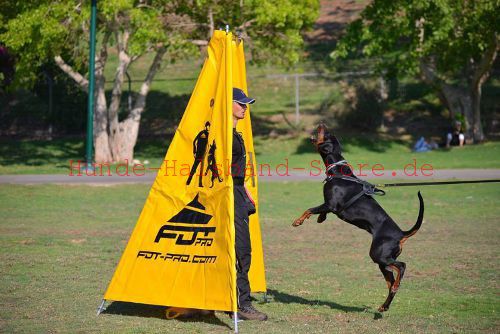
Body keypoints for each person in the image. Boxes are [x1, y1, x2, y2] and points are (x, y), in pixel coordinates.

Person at [231, 87, 268, 321]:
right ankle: (242, 304)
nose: (245, 108)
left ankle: (237, 300)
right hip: (227, 198)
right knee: (242, 250)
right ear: (229, 105)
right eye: (241, 103)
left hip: (236, 194)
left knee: (242, 250)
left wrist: (243, 189)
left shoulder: (235, 134)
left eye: (246, 104)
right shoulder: (222, 135)